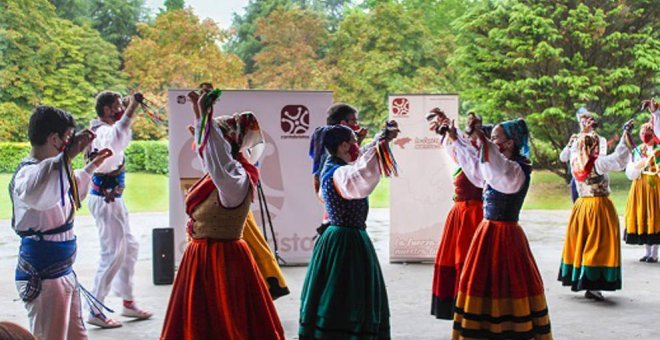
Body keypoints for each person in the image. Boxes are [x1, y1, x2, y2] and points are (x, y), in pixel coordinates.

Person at [161, 90, 284, 339]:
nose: (208, 148)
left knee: (226, 322)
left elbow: (215, 155)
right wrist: (199, 112)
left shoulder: (234, 178)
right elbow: (210, 154)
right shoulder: (225, 174)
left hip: (221, 260)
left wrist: (205, 115)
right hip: (205, 257)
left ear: (228, 142)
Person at [9, 106, 112, 340]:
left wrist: (92, 165)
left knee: (77, 335)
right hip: (44, 275)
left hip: (62, 271)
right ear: (54, 139)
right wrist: (69, 154)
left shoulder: (51, 171)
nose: (69, 144)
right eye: (66, 139)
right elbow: (42, 189)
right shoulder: (29, 175)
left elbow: (66, 189)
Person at [446, 118, 552, 339]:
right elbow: (476, 168)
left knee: (507, 283)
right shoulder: (497, 166)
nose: (492, 142)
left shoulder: (516, 169)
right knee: (481, 282)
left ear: (510, 143)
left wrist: (481, 139)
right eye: (492, 138)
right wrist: (457, 139)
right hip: (487, 232)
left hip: (505, 235)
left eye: (496, 138)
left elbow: (497, 169)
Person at [299, 121, 398, 339]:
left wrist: (381, 139)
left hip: (336, 238)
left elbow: (361, 159)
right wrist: (381, 142)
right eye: (353, 142)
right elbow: (362, 174)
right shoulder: (341, 174)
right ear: (343, 146)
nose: (356, 146)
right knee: (347, 294)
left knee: (335, 292)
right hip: (347, 241)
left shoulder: (331, 167)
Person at [86, 91, 152, 327]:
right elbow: (118, 137)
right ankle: (95, 308)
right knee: (112, 253)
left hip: (112, 199)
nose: (120, 109)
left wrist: (129, 108)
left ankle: (127, 301)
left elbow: (121, 136)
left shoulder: (103, 130)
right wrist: (132, 107)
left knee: (130, 247)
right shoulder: (102, 132)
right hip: (105, 200)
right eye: (116, 105)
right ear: (106, 110)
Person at [558, 119, 634, 301]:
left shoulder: (576, 160)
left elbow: (568, 153)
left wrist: (581, 134)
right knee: (598, 244)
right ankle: (593, 283)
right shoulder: (597, 164)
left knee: (582, 242)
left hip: (582, 206)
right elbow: (620, 159)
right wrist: (625, 137)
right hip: (598, 207)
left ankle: (579, 278)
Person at [428, 111, 491, 320]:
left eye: (473, 133)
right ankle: (456, 301)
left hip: (474, 214)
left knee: (468, 259)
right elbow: (456, 147)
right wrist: (448, 130)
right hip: (460, 213)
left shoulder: (483, 161)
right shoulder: (467, 153)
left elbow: (465, 154)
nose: (468, 137)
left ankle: (470, 301)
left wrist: (456, 137)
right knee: (455, 258)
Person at [624, 122, 660, 261]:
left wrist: (653, 166)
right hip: (640, 187)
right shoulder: (637, 151)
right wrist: (639, 165)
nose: (645, 134)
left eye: (648, 131)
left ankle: (654, 253)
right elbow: (631, 172)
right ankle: (647, 252)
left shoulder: (658, 150)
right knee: (643, 216)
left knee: (655, 216)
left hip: (655, 187)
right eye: (643, 131)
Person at [559, 108, 608, 202]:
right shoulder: (575, 139)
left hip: (593, 179)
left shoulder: (600, 140)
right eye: (582, 122)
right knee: (578, 206)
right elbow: (563, 158)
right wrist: (569, 144)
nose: (583, 125)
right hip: (577, 177)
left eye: (586, 122)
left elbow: (600, 158)